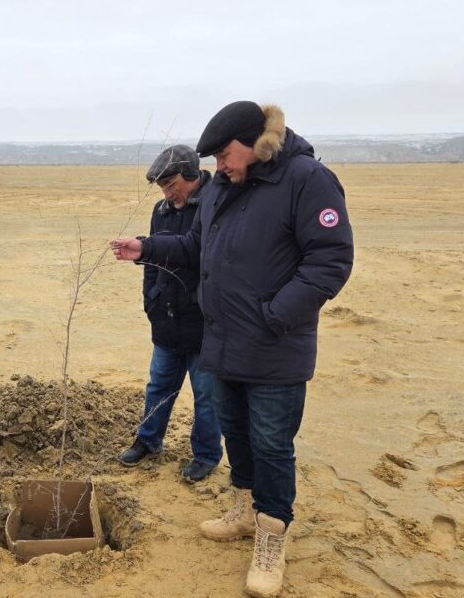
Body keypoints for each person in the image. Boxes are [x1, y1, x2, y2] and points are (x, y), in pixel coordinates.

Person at [111, 102, 353, 598]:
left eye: (223, 155)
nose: (217, 166)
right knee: (236, 434)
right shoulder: (222, 187)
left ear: (256, 143)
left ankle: (271, 536)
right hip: (221, 341)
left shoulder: (307, 180)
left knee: (271, 444)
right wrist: (147, 248)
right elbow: (194, 247)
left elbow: (330, 260)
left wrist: (274, 315)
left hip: (274, 347)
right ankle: (244, 510)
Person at [117, 144, 223, 483]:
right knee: (159, 386)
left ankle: (206, 455)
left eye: (171, 184)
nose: (167, 193)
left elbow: (206, 258)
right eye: (162, 186)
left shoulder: (215, 204)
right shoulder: (161, 211)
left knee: (207, 397)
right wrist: (151, 299)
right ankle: (148, 441)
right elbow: (152, 261)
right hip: (166, 319)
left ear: (192, 174)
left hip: (205, 324)